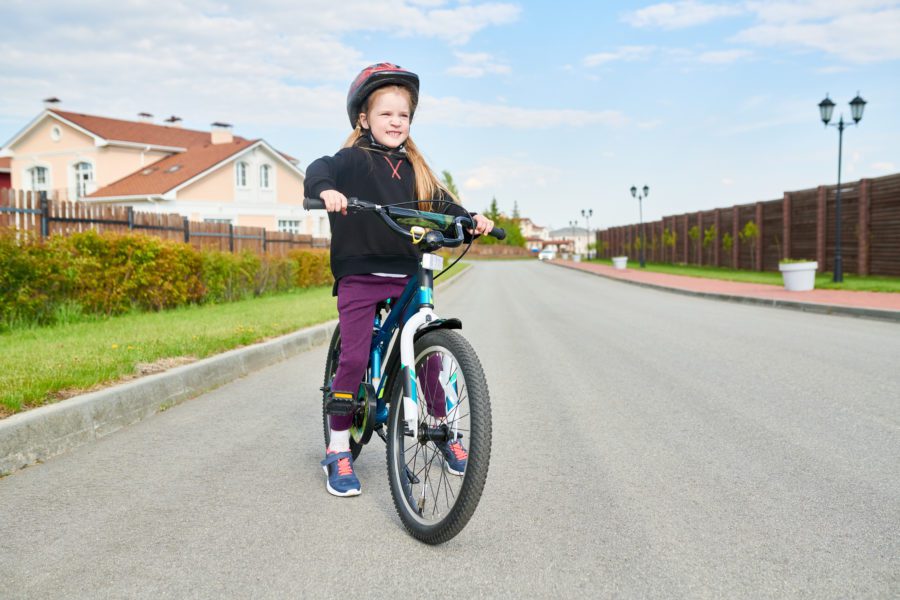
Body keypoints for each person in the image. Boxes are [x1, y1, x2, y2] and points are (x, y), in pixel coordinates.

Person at [304, 62, 494, 497]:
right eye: (386, 114)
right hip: (360, 272)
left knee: (428, 348)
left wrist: (470, 219)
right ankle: (337, 449)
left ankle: (444, 431)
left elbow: (447, 206)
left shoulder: (417, 170)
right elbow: (320, 168)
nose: (395, 122)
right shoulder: (353, 160)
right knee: (353, 358)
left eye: (403, 115)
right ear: (364, 119)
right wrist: (327, 191)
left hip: (408, 271)